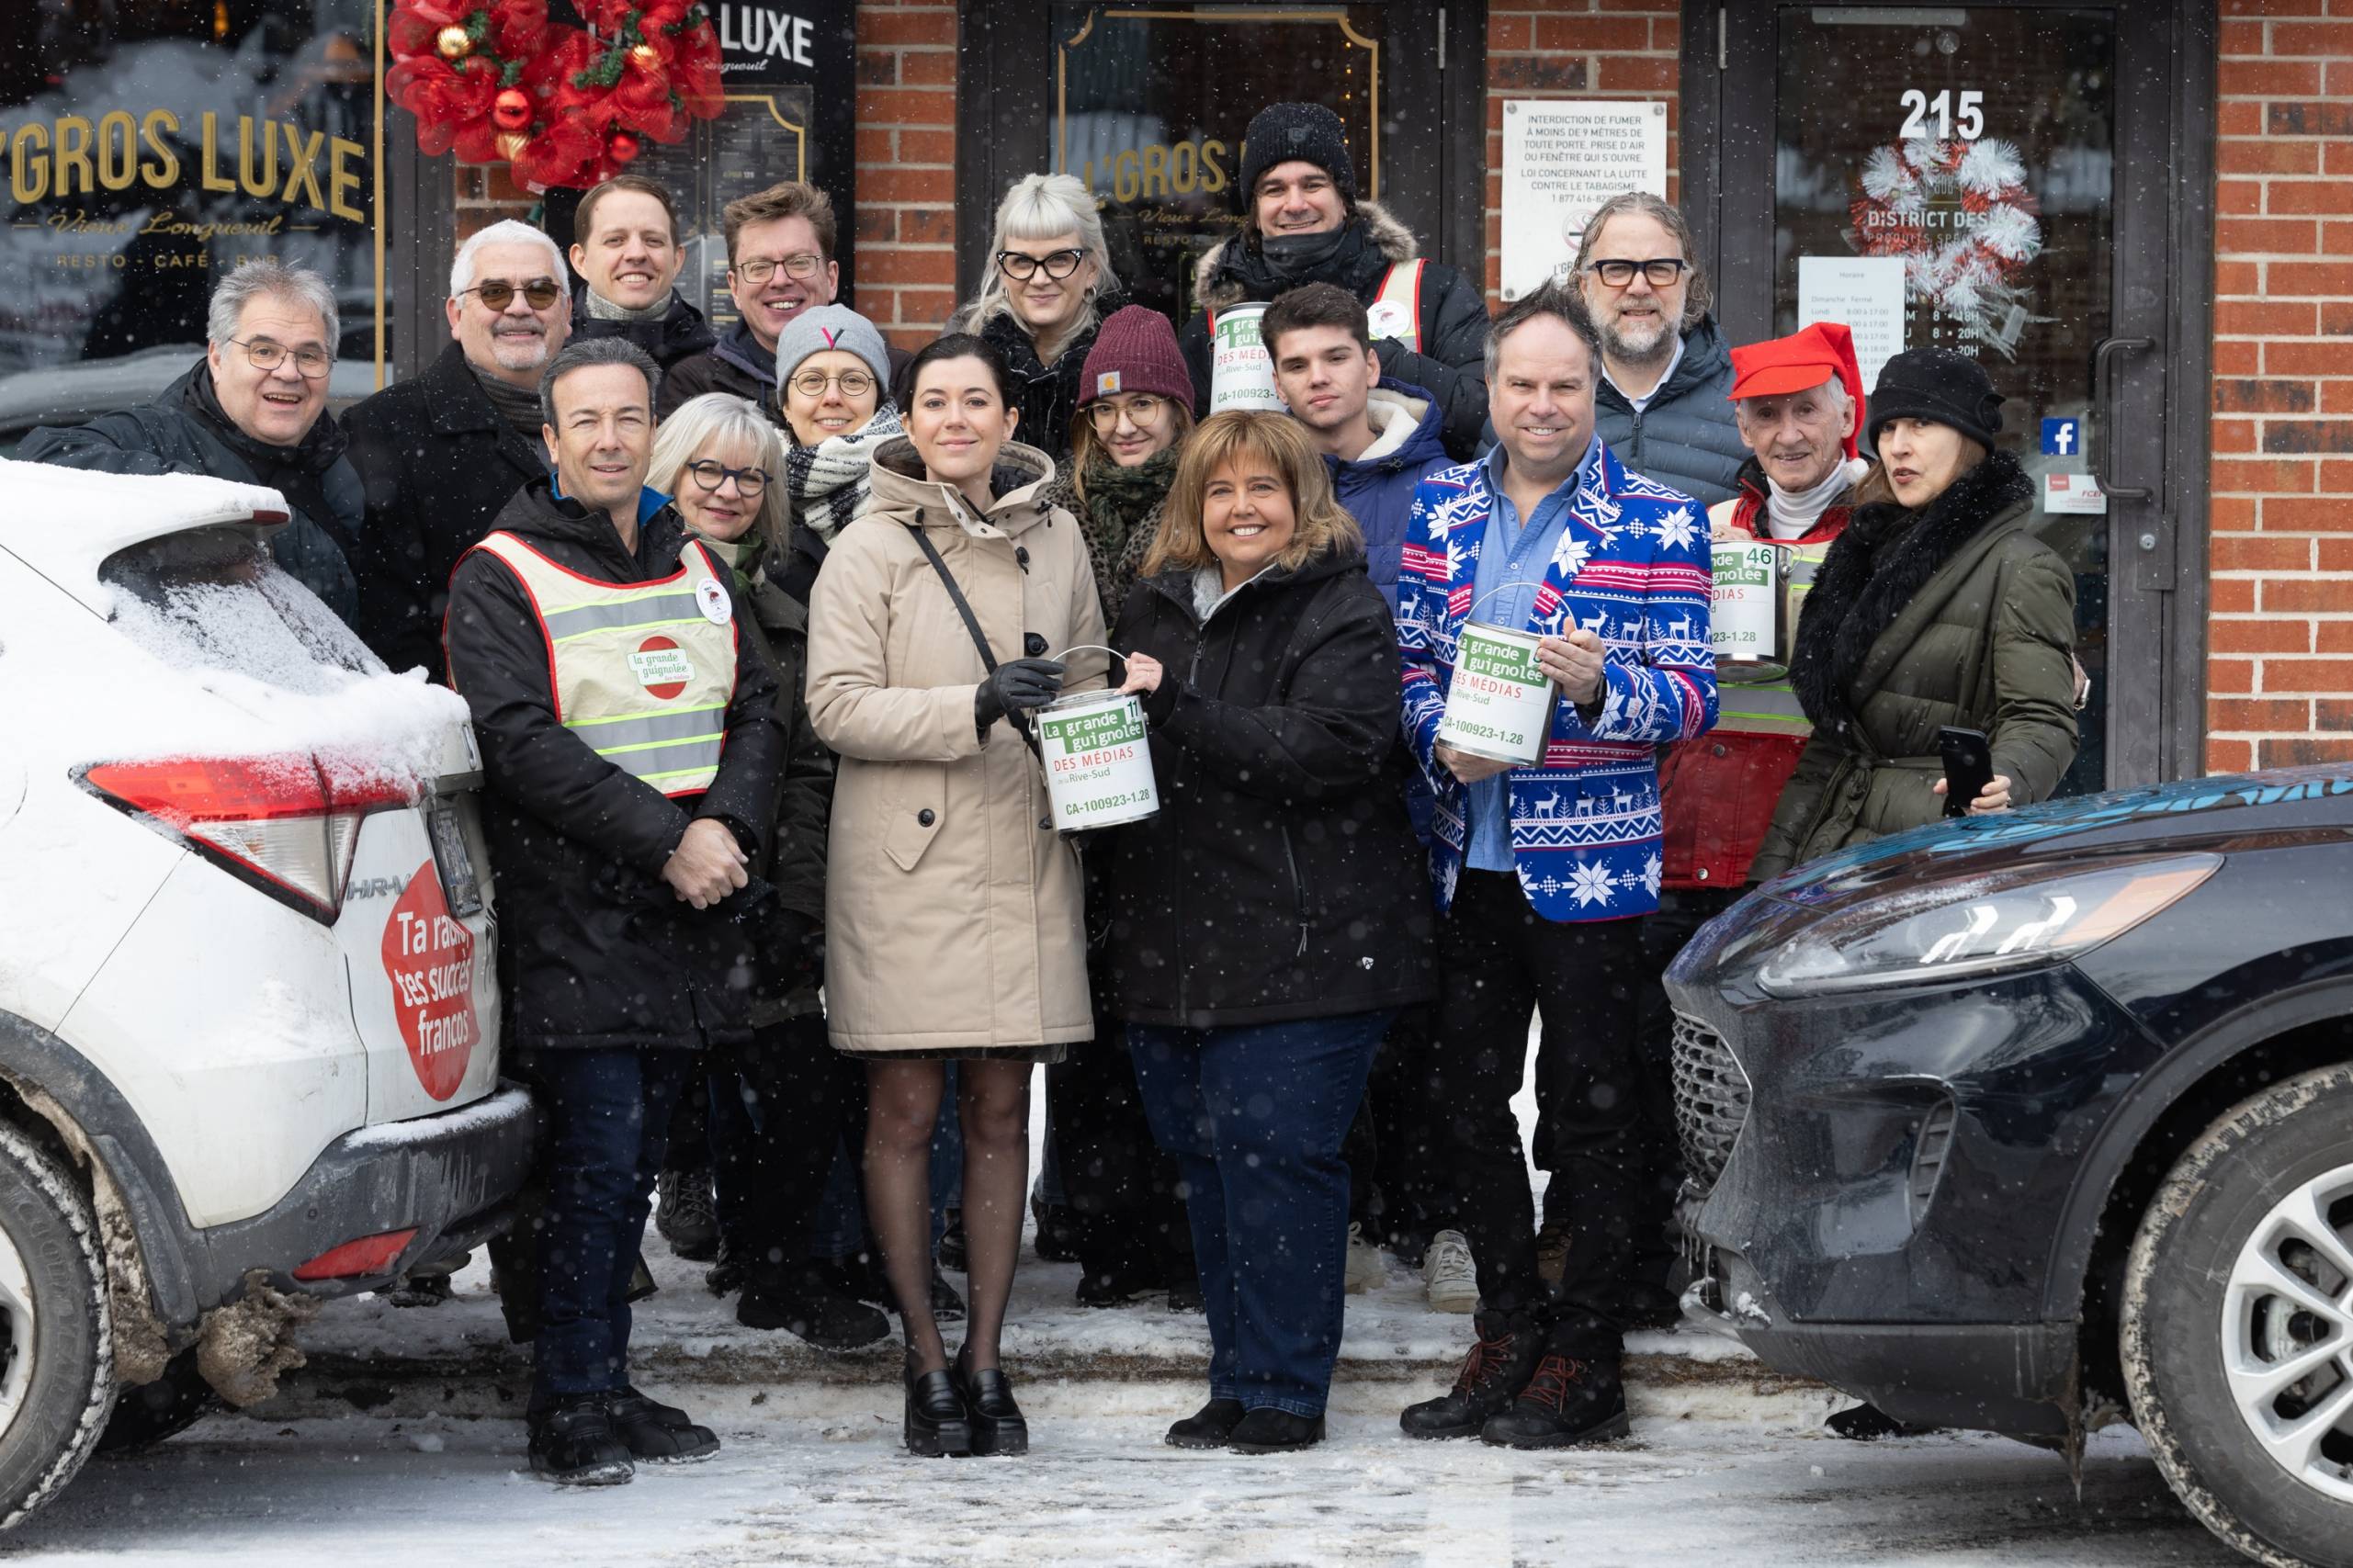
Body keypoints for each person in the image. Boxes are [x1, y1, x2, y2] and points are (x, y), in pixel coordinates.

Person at [443, 338, 783, 1484]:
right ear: (549, 440)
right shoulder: (501, 571)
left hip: (688, 914)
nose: (607, 439)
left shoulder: (694, 560)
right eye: (582, 421)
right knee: (586, 1173)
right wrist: (668, 840)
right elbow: (520, 745)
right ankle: (568, 1405)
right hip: (577, 919)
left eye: (627, 418)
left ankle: (606, 1381)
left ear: (653, 434)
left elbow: (760, 709)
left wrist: (726, 828)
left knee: (632, 1167)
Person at [1393, 281, 1716, 1450]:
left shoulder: (1659, 520)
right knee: (1466, 1108)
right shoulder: (1435, 509)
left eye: (1563, 385)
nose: (1541, 404)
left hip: (1589, 867)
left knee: (1595, 1114)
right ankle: (1503, 1328)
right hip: (1460, 858)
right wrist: (1436, 734)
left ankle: (1586, 1355)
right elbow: (1404, 666)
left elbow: (1691, 700)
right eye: (1520, 384)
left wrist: (1595, 687)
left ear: (1595, 392)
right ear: (1489, 391)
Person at [1103, 410, 1436, 1453]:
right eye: (1218, 490)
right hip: (1173, 935)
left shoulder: (1340, 608)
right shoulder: (1149, 609)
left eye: (1262, 488)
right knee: (1206, 1166)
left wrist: (1174, 712)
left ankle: (1286, 1391)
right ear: (1190, 506)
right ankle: (1235, 1379)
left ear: (1301, 500)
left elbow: (1323, 750)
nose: (1240, 509)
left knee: (1279, 1163)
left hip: (1311, 940)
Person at [805, 333, 1109, 1458]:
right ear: (908, 419)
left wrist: (1107, 699)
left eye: (974, 400)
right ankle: (922, 1361)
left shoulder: (1059, 534)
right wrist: (971, 702)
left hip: (1023, 848)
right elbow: (834, 707)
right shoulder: (868, 546)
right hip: (907, 864)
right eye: (933, 401)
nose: (954, 419)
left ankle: (986, 1357)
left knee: (997, 1110)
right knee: (905, 1112)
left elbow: (1081, 666)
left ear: (1006, 420)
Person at [1565, 322, 1872, 1312]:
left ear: (1843, 414)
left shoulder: (1884, 530)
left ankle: (1795, 1265)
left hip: (1808, 835)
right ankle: (1654, 1257)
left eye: (1804, 410)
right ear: (1738, 421)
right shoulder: (1705, 529)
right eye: (1764, 413)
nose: (1786, 433)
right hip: (1687, 827)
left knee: (1793, 1070)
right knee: (1653, 1057)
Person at [641, 391, 890, 1351]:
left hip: (759, 878)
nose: (729, 491)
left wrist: (788, 892)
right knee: (639, 1103)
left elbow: (809, 756)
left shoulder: (795, 593)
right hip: (644, 877)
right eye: (706, 469)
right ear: (668, 473)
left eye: (750, 475)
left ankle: (779, 1270)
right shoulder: (626, 580)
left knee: (792, 1087)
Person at [1261, 279, 1454, 1286]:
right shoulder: (1265, 483)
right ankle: (1344, 1209)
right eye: (1294, 364)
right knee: (1323, 1013)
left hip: (1420, 783)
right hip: (1307, 789)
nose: (1317, 379)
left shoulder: (1444, 481)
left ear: (1371, 364)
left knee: (1419, 1010)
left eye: (1332, 357)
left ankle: (1427, 1216)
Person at [1749, 346, 2079, 881]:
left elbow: (2043, 719)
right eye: (1888, 429)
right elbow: (1839, 737)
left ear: (1968, 438)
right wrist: (1773, 870)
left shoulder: (2022, 567)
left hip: (1935, 844)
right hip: (1834, 832)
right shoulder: (1865, 550)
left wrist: (2007, 776)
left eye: (1922, 424)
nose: (1898, 447)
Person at [1035, 304, 1200, 1310]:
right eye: (1108, 409)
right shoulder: (1055, 508)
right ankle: (1099, 1231)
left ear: (1179, 410)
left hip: (1180, 792)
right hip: (1080, 789)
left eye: (1144, 403)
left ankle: (1175, 1232)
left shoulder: (1204, 502)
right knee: (1086, 1030)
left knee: (1169, 1027)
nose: (1125, 425)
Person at [21, 257, 359, 623]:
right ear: (217, 357)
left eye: (309, 355)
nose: (288, 372)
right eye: (264, 351)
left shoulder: (344, 460)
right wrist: (213, 507)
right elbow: (42, 458)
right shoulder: (155, 436)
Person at [1181, 102, 1490, 462]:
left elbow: (1486, 415)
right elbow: (1188, 455)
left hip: (1405, 512)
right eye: (1274, 189)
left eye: (1313, 185)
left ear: (1344, 199)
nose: (1295, 204)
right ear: (1255, 209)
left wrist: (1365, 356)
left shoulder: (1430, 290)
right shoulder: (1216, 321)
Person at [343, 220, 571, 677]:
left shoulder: (604, 416)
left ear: (567, 313)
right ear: (455, 315)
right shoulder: (383, 430)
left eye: (540, 292)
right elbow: (387, 621)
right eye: (494, 292)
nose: (519, 308)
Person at [663, 181, 913, 416]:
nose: (780, 280)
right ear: (735, 288)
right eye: (759, 266)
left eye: (799, 262)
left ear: (831, 278)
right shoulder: (696, 387)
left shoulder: (898, 377)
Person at [1570, 192, 1748, 509]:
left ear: (1686, 282)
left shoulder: (1747, 400)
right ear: (1584, 287)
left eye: (1661, 268)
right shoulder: (1539, 400)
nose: (1639, 287)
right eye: (1617, 268)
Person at [948, 173, 1126, 463]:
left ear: (1092, 267)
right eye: (1022, 261)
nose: (1040, 278)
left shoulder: (1129, 349)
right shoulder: (964, 349)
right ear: (1002, 269)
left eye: (1059, 259)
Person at [568, 175, 716, 394]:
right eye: (615, 240)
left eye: (653, 240)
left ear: (676, 260)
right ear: (581, 261)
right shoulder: (547, 361)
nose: (636, 254)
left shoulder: (717, 369)